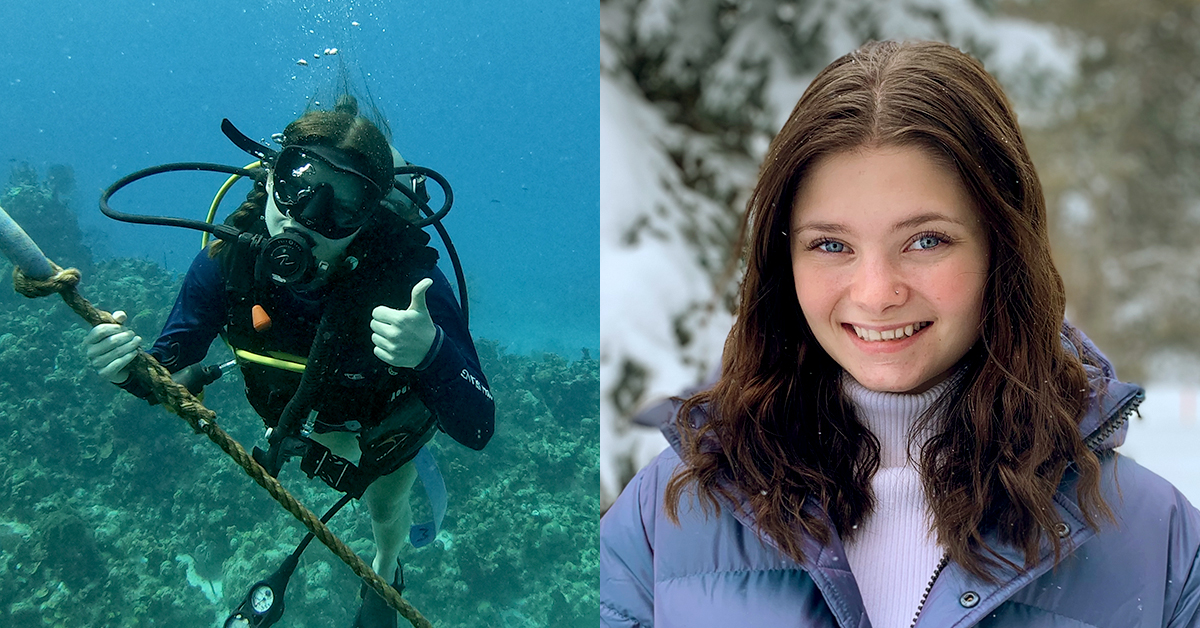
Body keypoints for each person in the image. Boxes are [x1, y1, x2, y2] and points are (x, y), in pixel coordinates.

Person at [599, 40, 1200, 627]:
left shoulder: (1160, 543)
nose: (876, 292)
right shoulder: (666, 515)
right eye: (831, 245)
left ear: (1003, 247)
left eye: (926, 241)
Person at [84, 95, 495, 628]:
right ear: (270, 175)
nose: (310, 216)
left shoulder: (405, 281)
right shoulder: (228, 258)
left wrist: (431, 351)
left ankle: (385, 569)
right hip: (291, 416)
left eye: (344, 203)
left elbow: (479, 426)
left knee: (386, 513)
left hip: (380, 433)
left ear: (370, 217)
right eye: (298, 184)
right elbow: (165, 367)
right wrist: (124, 367)